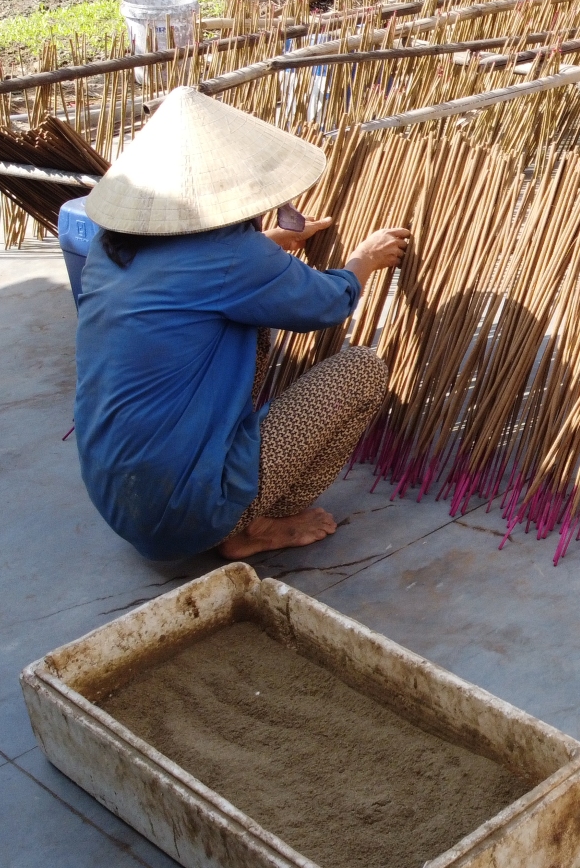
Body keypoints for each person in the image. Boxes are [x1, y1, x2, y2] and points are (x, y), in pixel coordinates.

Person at [73, 87, 411, 561]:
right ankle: (252, 527)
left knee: (244, 330)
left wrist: (267, 246)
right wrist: (364, 260)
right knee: (362, 370)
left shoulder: (110, 247)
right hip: (186, 512)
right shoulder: (230, 257)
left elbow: (189, 277)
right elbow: (327, 303)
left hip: (121, 497)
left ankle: (230, 513)